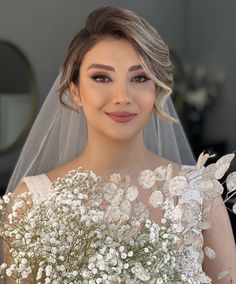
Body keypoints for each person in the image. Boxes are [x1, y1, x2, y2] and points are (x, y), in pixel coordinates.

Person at [2, 6, 236, 283]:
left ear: (157, 89)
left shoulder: (198, 195)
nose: (122, 96)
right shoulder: (32, 200)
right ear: (75, 90)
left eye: (139, 78)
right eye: (101, 77)